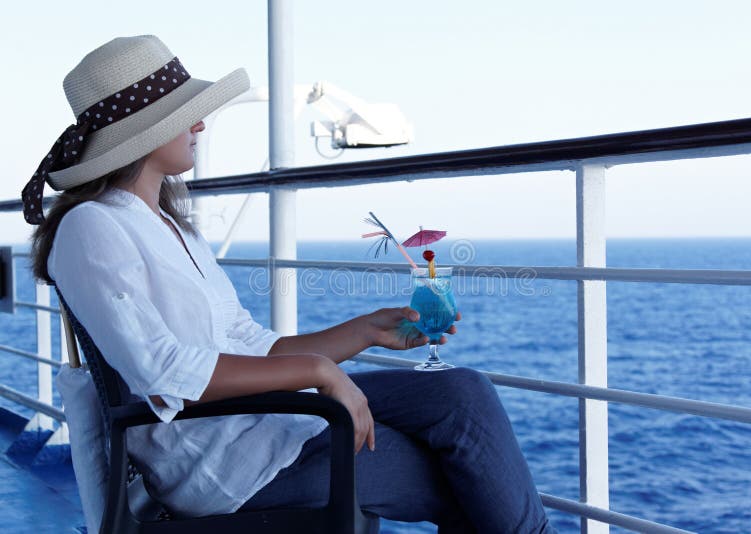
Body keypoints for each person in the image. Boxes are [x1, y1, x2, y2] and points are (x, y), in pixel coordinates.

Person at [24, 35, 556, 533]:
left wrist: (365, 330)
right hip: (226, 467)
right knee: (465, 477)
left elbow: (251, 344)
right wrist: (318, 372)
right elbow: (161, 372)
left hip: (269, 427)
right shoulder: (91, 227)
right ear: (144, 129)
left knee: (461, 392)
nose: (201, 127)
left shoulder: (168, 225)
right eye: (185, 116)